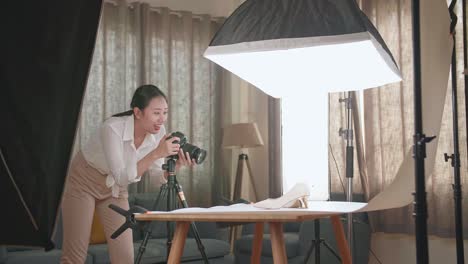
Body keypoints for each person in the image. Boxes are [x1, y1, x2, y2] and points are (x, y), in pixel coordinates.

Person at [60, 84, 194, 264]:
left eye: (165, 112)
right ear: (137, 112)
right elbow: (122, 176)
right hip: (84, 181)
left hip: (116, 190)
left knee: (125, 258)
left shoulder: (158, 133)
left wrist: (175, 166)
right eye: (156, 113)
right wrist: (156, 153)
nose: (161, 119)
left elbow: (156, 179)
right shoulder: (112, 128)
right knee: (74, 257)